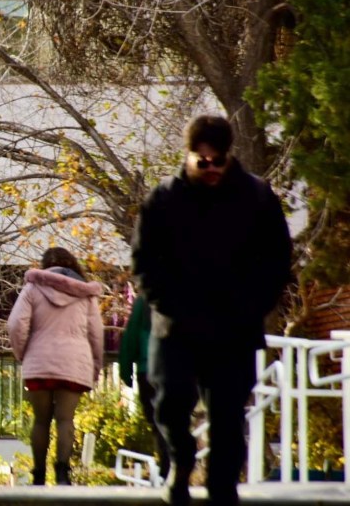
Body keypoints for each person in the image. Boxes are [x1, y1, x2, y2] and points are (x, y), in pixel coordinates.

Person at [132, 115, 292, 506]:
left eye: (217, 160)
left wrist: (254, 306)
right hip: (177, 326)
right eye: (202, 161)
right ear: (188, 156)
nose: (211, 168)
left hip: (232, 328)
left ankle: (223, 486)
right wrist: (166, 303)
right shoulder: (164, 199)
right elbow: (143, 261)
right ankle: (180, 462)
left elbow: (277, 259)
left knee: (227, 415)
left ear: (228, 155)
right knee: (169, 403)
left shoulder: (256, 197)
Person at [6, 247, 104, 486]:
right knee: (65, 420)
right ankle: (62, 473)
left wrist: (22, 352)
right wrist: (95, 365)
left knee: (41, 421)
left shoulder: (32, 288)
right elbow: (96, 334)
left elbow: (15, 324)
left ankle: (38, 474)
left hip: (38, 363)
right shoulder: (85, 294)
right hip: (73, 365)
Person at [119, 293, 170, 481]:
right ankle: (172, 464)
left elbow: (132, 334)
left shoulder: (145, 298)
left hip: (148, 368)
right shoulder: (189, 290)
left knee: (157, 420)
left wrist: (126, 370)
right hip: (178, 367)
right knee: (174, 418)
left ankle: (167, 465)